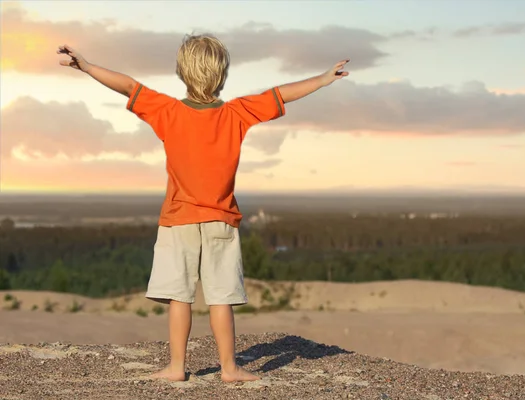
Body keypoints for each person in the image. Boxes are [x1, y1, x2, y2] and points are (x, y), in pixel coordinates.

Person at [56, 34, 349, 383]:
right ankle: (229, 368)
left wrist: (86, 66)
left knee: (179, 298)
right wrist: (322, 78)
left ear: (182, 72)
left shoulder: (167, 111)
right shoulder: (237, 113)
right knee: (220, 299)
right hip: (221, 222)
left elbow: (129, 87)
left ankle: (177, 367)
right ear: (222, 75)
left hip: (178, 219)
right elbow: (280, 94)